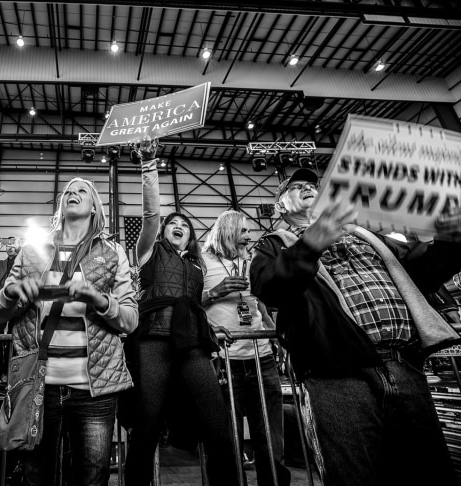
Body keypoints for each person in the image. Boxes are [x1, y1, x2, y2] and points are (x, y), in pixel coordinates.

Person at [250, 167, 461, 486]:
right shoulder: (275, 245)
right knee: (354, 477)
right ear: (281, 206)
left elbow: (427, 269)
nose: (309, 188)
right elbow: (269, 286)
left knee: (429, 474)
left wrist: (453, 231)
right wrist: (312, 243)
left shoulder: (371, 236)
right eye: (298, 187)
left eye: (313, 185)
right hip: (338, 376)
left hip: (404, 365)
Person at [0, 177, 138, 486]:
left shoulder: (113, 253)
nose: (72, 192)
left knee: (91, 479)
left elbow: (129, 320)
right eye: (68, 191)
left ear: (95, 207)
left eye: (81, 190)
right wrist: (13, 293)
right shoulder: (32, 251)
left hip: (94, 389)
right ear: (61, 205)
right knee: (35, 476)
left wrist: (98, 299)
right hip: (37, 385)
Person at [123, 138, 238, 485]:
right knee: (148, 426)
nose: (177, 226)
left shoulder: (197, 269)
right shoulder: (149, 252)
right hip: (153, 342)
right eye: (172, 223)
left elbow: (193, 307)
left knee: (218, 425)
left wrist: (211, 329)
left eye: (184, 225)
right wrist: (148, 167)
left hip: (192, 346)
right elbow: (150, 214)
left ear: (191, 237)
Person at [201, 210, 290, 486]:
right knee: (227, 438)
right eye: (243, 231)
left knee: (270, 437)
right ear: (226, 231)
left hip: (261, 358)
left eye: (249, 231)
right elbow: (190, 304)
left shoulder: (251, 261)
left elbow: (258, 302)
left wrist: (275, 334)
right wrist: (217, 291)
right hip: (224, 360)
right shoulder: (202, 263)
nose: (248, 236)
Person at [0, 237, 21, 380]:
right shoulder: (0, 264)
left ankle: (8, 371)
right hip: (1, 303)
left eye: (13, 244)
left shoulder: (22, 260)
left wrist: (20, 250)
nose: (10, 246)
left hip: (17, 304)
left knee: (14, 337)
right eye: (8, 244)